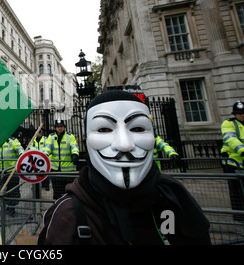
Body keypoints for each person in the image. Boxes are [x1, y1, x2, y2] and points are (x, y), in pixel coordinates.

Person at [38, 90, 210, 245]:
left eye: (137, 128)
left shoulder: (173, 201)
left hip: (67, 170)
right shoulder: (67, 216)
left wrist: (172, 154)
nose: (124, 144)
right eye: (104, 129)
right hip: (56, 171)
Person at [43, 119, 79, 200]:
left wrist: (75, 154)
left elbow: (74, 147)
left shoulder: (70, 136)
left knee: (69, 191)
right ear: (55, 128)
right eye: (58, 127)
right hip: (55, 169)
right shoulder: (51, 137)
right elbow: (47, 148)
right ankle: (57, 208)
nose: (60, 128)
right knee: (57, 191)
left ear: (64, 127)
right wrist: (44, 155)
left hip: (68, 170)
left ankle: (69, 208)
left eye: (61, 127)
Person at [220, 100, 244, 217]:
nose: (242, 115)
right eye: (240, 113)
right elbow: (231, 139)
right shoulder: (228, 124)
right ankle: (238, 214)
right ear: (234, 114)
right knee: (236, 190)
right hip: (232, 162)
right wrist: (242, 151)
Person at [0, 137, 24, 215]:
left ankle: (12, 208)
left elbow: (20, 149)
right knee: (3, 190)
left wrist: (22, 154)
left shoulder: (13, 141)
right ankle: (5, 206)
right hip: (1, 173)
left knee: (13, 190)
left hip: (11, 172)